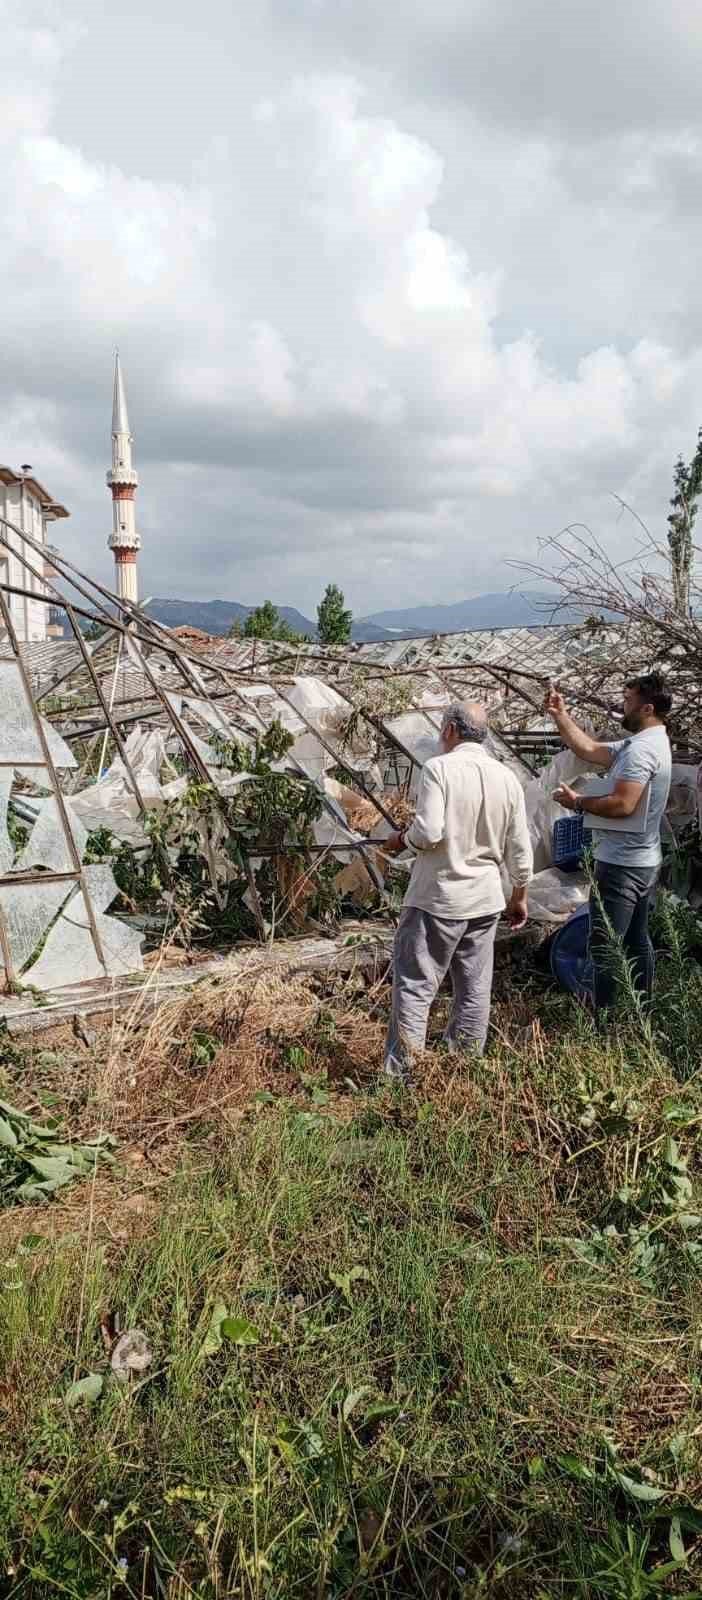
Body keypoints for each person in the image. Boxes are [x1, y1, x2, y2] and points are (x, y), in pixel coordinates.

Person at [383, 701, 533, 1079]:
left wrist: (401, 840)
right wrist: (519, 896)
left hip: (439, 898)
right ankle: (463, 1071)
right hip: (485, 900)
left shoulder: (439, 768)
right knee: (473, 989)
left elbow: (428, 832)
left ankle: (403, 1077)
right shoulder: (506, 777)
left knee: (416, 987)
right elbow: (520, 847)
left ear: (450, 729)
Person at [545, 673, 672, 1017]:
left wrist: (578, 802)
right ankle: (641, 1012)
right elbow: (589, 750)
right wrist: (561, 715)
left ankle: (606, 1021)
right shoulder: (647, 742)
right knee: (635, 939)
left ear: (647, 708)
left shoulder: (641, 750)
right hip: (643, 859)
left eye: (628, 701)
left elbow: (623, 804)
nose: (622, 706)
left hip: (621, 864)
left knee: (604, 945)